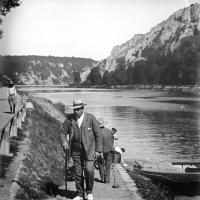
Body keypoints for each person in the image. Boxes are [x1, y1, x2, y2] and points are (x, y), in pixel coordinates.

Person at [60, 99, 103, 200]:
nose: (76, 111)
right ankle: (79, 194)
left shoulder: (91, 118)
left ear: (83, 108)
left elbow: (98, 135)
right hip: (75, 150)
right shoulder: (69, 119)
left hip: (90, 150)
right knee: (78, 173)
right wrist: (64, 142)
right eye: (74, 109)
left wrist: (98, 150)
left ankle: (89, 192)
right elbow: (62, 132)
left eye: (78, 109)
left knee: (89, 170)